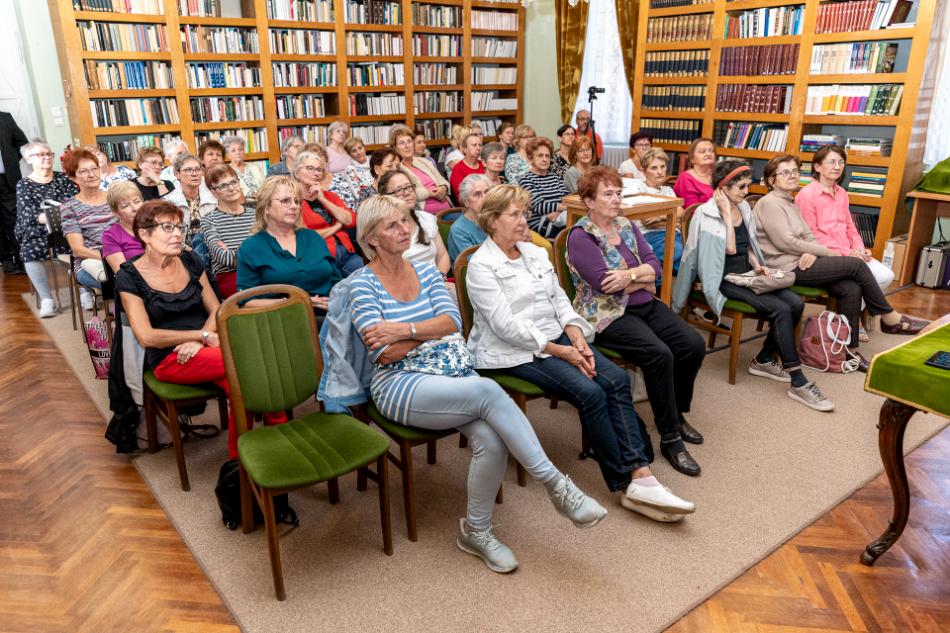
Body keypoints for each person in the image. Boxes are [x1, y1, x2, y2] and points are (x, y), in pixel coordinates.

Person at [351, 193, 606, 573]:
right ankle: (556, 485)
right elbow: (384, 354)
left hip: (451, 371)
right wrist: (429, 332)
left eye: (405, 220)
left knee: (491, 440)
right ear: (371, 237)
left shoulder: (424, 271)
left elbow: (451, 322)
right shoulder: (361, 284)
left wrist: (405, 330)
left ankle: (476, 531)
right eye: (393, 225)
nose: (405, 229)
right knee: (488, 389)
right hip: (399, 383)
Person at [465, 183, 694, 521]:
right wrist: (562, 351)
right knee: (590, 392)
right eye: (515, 215)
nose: (524, 220)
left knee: (616, 379)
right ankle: (625, 480)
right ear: (492, 220)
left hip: (556, 336)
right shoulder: (481, 265)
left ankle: (641, 476)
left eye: (524, 213)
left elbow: (559, 299)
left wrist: (575, 333)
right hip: (514, 351)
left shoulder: (534, 253)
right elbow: (505, 327)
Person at [116, 199, 286, 460]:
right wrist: (202, 336)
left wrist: (200, 341)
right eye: (167, 227)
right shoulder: (129, 276)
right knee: (250, 364)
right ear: (144, 234)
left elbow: (216, 308)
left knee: (240, 383)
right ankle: (278, 438)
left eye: (179, 227)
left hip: (206, 345)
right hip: (170, 356)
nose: (177, 234)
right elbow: (146, 336)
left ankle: (241, 461)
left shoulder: (189, 259)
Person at [568, 167, 705, 476]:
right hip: (607, 314)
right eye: (608, 194)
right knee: (659, 354)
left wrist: (630, 276)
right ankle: (670, 437)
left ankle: (676, 414)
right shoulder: (581, 236)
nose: (616, 199)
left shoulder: (626, 225)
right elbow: (605, 285)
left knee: (693, 345)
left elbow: (655, 267)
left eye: (618, 193)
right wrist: (641, 278)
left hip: (644, 304)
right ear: (589, 201)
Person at [672, 159, 834, 412]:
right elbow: (728, 249)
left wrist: (758, 265)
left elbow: (747, 247)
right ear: (723, 188)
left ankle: (764, 358)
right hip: (723, 279)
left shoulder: (745, 207)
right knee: (780, 309)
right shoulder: (706, 213)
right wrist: (727, 215)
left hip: (746, 275)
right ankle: (798, 381)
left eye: (748, 185)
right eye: (741, 187)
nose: (746, 192)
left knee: (794, 303)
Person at [753, 154, 927, 370]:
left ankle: (848, 350)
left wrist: (815, 251)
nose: (793, 176)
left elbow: (808, 236)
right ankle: (889, 317)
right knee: (855, 265)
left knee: (850, 287)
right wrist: (827, 252)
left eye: (795, 171)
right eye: (785, 172)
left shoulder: (789, 202)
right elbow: (786, 242)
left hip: (802, 261)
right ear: (772, 180)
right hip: (785, 267)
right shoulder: (770, 203)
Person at [236, 175, 341, 315]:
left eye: (297, 201)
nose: (294, 206)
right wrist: (297, 302)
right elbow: (246, 301)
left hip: (330, 314)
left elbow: (336, 281)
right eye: (285, 201)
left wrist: (338, 302)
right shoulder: (251, 248)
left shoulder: (313, 237)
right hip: (282, 318)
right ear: (266, 207)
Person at [797, 145, 895, 292]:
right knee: (863, 283)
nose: (837, 167)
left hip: (849, 253)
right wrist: (848, 253)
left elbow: (850, 227)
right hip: (825, 254)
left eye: (841, 162)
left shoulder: (842, 193)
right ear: (817, 167)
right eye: (832, 162)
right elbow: (811, 234)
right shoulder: (806, 195)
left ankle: (863, 306)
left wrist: (859, 249)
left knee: (886, 275)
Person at [15, 140, 78, 317]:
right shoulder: (24, 184)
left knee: (80, 241)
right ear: (29, 159)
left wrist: (52, 215)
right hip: (36, 229)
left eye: (49, 154)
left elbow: (74, 205)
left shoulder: (63, 179)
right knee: (29, 249)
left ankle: (84, 291)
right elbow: (29, 214)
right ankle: (46, 299)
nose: (46, 157)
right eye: (40, 154)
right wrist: (56, 213)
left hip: (66, 226)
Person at [102, 179, 147, 405]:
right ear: (115, 212)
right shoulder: (111, 235)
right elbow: (122, 272)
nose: (134, 208)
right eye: (126, 205)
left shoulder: (153, 226)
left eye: (137, 201)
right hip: (133, 292)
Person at [292, 151, 364, 276]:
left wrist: (323, 200)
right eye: (310, 168)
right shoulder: (293, 202)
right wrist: (337, 226)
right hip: (321, 257)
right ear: (297, 173)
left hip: (347, 252)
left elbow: (350, 220)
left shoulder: (329, 196)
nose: (316, 173)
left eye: (319, 170)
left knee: (370, 278)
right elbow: (305, 237)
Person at [60, 148, 114, 305]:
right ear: (73, 178)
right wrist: (111, 257)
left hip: (121, 257)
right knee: (126, 283)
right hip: (89, 263)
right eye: (83, 171)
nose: (91, 174)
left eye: (94, 168)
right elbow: (78, 250)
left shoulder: (114, 197)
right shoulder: (69, 207)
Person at [378, 169, 450, 276]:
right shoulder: (384, 230)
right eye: (399, 190)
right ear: (386, 197)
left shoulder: (426, 218)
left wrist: (439, 278)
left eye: (409, 187)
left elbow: (442, 255)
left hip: (437, 279)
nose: (407, 193)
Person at [626, 148, 684, 278]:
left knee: (694, 253)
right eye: (654, 168)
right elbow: (647, 221)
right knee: (681, 254)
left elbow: (681, 212)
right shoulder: (639, 189)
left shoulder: (668, 190)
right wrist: (671, 217)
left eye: (663, 167)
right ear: (643, 171)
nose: (660, 172)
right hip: (650, 236)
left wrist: (659, 217)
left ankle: (661, 274)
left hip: (674, 234)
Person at [200, 164, 256, 297]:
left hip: (260, 271)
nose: (231, 188)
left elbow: (268, 252)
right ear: (214, 192)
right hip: (229, 277)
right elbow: (224, 258)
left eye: (233, 182)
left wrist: (234, 253)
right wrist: (254, 253)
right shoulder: (208, 220)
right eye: (223, 186)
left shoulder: (255, 215)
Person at [162, 152, 217, 264]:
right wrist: (193, 253)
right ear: (177, 174)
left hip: (213, 253)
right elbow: (167, 236)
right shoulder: (168, 203)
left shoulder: (213, 198)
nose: (194, 173)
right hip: (182, 255)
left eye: (198, 169)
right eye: (188, 170)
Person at [391, 125, 451, 214]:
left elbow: (442, 180)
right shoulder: (397, 169)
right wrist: (429, 193)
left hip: (447, 208)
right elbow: (404, 194)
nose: (407, 145)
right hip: (424, 214)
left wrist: (443, 188)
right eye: (402, 143)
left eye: (409, 141)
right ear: (395, 148)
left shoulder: (425, 161)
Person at [517, 137, 568, 239]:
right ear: (530, 158)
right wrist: (563, 208)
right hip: (540, 225)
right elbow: (539, 206)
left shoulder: (554, 176)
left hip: (559, 219)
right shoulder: (525, 179)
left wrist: (558, 212)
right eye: (540, 156)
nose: (544, 159)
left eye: (547, 156)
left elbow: (567, 198)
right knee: (575, 230)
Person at [0, 112, 30, 274]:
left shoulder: (5, 118)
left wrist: (11, 159)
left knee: (13, 221)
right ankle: (6, 261)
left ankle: (21, 259)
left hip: (8, 179)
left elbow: (22, 143)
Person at [447, 174, 491, 262]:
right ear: (466, 202)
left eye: (487, 192)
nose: (485, 198)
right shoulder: (458, 230)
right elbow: (475, 263)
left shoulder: (495, 219)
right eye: (477, 194)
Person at [673, 138, 715, 208]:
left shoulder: (720, 175)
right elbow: (692, 210)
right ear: (692, 159)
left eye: (711, 151)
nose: (708, 154)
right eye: (702, 151)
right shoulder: (686, 178)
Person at [221, 135, 264, 199]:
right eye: (233, 150)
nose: (238, 152)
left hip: (262, 200)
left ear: (244, 151)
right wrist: (252, 194)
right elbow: (230, 190)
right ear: (228, 155)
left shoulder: (255, 167)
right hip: (240, 202)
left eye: (240, 149)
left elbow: (265, 185)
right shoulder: (225, 171)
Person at [449, 128, 485, 201]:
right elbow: (461, 196)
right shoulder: (458, 169)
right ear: (465, 149)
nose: (478, 148)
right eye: (474, 145)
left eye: (480, 145)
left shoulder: (484, 165)